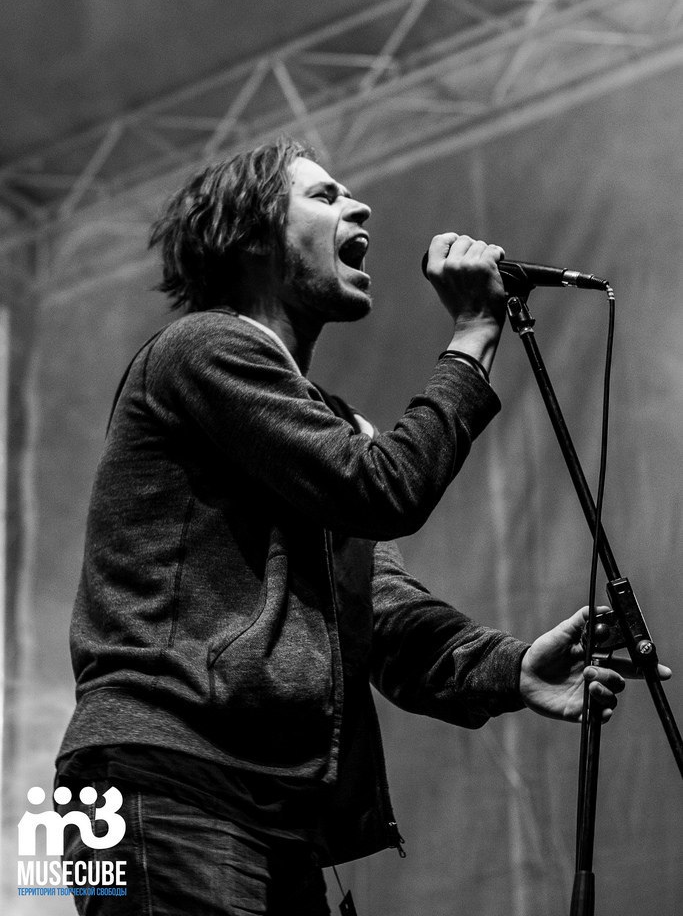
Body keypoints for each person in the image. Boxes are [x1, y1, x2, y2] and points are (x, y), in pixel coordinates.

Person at [55, 138, 641, 916]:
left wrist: (510, 666)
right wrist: (473, 333)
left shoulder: (322, 425)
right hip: (165, 778)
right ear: (250, 234)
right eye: (324, 197)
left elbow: (381, 612)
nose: (359, 206)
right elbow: (382, 490)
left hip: (271, 809)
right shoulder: (203, 349)